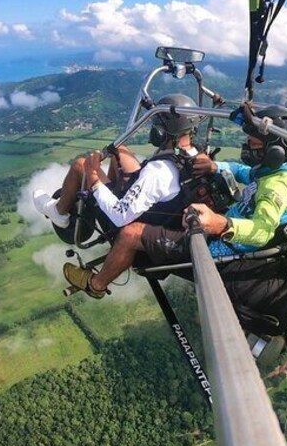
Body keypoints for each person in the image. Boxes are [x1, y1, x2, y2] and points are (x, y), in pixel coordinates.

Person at [64, 104, 287, 334]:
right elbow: (246, 172)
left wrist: (221, 224)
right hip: (223, 232)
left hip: (219, 249)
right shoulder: (279, 173)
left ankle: (95, 285)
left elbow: (263, 230)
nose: (248, 147)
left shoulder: (274, 189)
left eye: (254, 144)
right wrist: (215, 166)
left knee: (131, 234)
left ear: (275, 152)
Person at [33, 94, 202, 298]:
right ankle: (108, 190)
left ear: (162, 131)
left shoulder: (158, 171)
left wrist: (94, 178)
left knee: (81, 166)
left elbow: (120, 215)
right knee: (118, 150)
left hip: (131, 222)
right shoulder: (195, 155)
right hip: (160, 214)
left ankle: (58, 213)